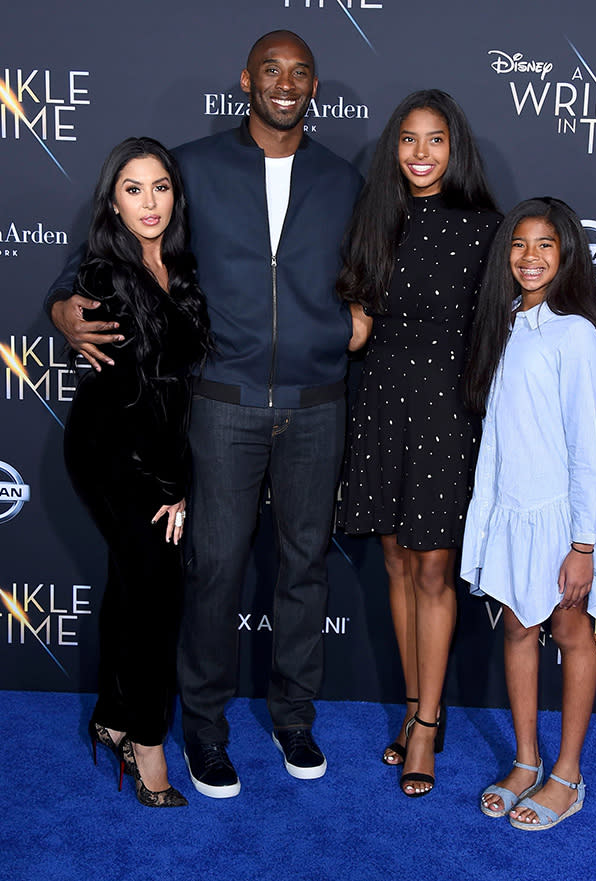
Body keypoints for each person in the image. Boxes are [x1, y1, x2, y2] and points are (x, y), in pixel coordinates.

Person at [47, 31, 364, 796]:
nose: (283, 83)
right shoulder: (192, 163)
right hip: (220, 405)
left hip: (316, 404)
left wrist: (358, 320)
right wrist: (61, 304)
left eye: (299, 73)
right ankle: (204, 731)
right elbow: (114, 234)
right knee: (213, 572)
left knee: (303, 572)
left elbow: (380, 268)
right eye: (270, 70)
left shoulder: (344, 178)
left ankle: (293, 716)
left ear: (314, 86)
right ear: (245, 80)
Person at [337, 90, 501, 797]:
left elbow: (526, 305)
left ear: (454, 147)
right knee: (398, 564)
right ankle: (410, 708)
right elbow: (355, 325)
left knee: (434, 568)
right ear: (393, 148)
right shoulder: (376, 219)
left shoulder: (487, 227)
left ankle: (428, 726)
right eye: (408, 139)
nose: (421, 154)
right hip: (378, 401)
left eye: (435, 140)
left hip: (445, 407)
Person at [461, 197, 596, 829]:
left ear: (565, 257)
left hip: (561, 518)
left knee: (568, 632)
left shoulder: (576, 333)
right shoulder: (500, 321)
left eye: (545, 246)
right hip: (509, 509)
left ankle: (567, 773)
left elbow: (587, 444)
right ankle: (526, 762)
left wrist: (582, 544)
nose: (530, 258)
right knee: (516, 629)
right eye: (519, 245)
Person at [63, 137, 212, 807]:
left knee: (135, 581)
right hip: (111, 450)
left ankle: (113, 713)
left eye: (160, 187)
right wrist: (172, 486)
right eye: (133, 188)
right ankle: (147, 740)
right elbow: (135, 395)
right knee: (156, 594)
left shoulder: (177, 264)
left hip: (153, 446)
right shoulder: (105, 276)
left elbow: (173, 387)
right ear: (112, 201)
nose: (149, 202)